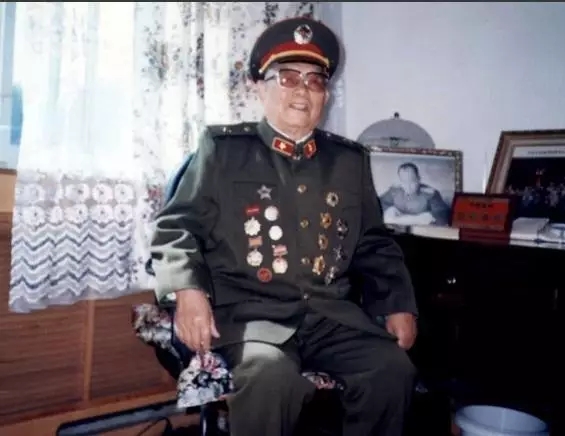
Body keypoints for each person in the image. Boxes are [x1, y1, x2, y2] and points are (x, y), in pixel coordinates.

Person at [150, 16, 418, 436]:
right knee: (270, 377)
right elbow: (177, 227)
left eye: (315, 81)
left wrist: (397, 303)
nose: (302, 91)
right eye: (288, 78)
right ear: (259, 87)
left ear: (325, 94)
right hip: (250, 317)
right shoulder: (223, 151)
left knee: (392, 370)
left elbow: (373, 243)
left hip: (331, 317)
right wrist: (187, 290)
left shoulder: (349, 161)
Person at [379, 162, 450, 226]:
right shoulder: (394, 191)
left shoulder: (430, 193)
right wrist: (390, 210)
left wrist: (428, 217)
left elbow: (442, 215)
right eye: (404, 181)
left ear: (419, 179)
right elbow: (379, 203)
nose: (408, 186)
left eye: (412, 181)